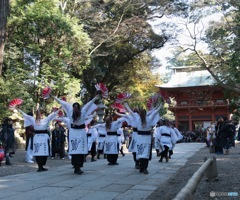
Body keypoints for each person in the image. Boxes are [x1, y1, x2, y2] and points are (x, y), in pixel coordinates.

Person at [53, 94, 99, 174]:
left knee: (75, 149)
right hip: (81, 132)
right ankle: (78, 166)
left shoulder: (70, 113)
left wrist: (54, 97)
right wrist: (95, 98)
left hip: (73, 132)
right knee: (80, 150)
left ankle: (76, 166)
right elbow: (89, 104)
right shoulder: (83, 112)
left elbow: (63, 103)